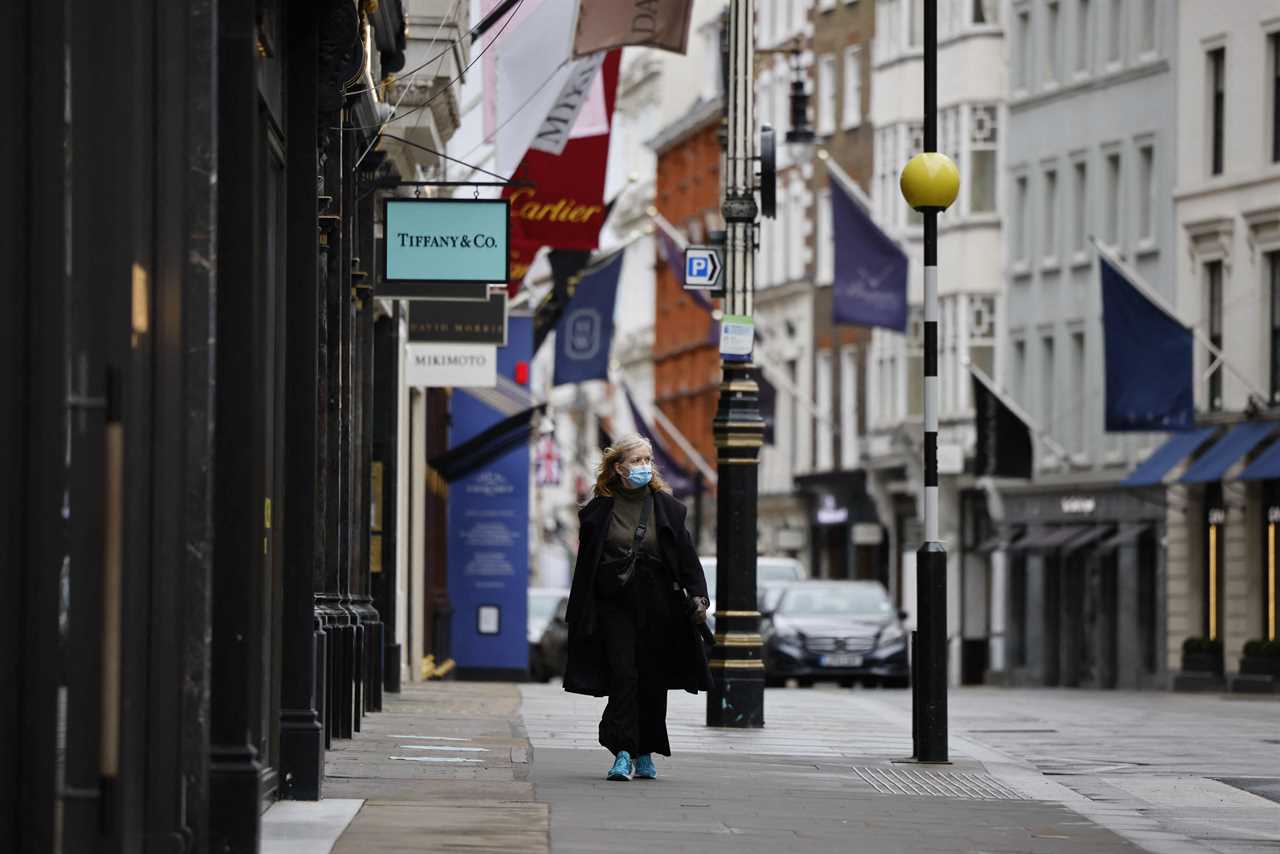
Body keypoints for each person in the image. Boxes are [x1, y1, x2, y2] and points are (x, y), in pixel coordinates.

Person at [562, 433, 711, 782]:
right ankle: (624, 751)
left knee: (652, 678)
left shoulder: (668, 508)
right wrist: (580, 612)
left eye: (648, 460)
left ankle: (645, 752)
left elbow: (687, 559)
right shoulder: (598, 511)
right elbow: (586, 566)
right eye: (637, 461)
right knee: (623, 674)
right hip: (613, 603)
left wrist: (699, 598)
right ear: (618, 467)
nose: (644, 466)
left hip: (660, 604)